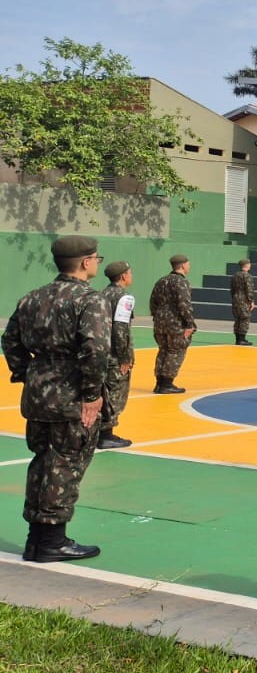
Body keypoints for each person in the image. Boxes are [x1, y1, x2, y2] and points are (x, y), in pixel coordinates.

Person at [3, 235, 111, 562]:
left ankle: (36, 539)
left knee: (42, 461)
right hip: (71, 394)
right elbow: (96, 349)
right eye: (96, 258)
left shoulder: (32, 298)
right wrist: (91, 395)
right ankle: (52, 541)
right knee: (65, 464)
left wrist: (29, 373)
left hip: (38, 394)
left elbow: (10, 341)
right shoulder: (90, 300)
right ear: (86, 262)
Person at [97, 260, 135, 450]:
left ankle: (100, 432)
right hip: (114, 355)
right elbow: (120, 329)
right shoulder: (124, 298)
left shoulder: (102, 294)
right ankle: (106, 435)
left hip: (101, 352)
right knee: (115, 394)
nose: (131, 276)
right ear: (123, 276)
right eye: (130, 273)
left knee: (103, 391)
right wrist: (124, 357)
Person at [149, 254, 196, 394]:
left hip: (160, 322)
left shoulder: (161, 281)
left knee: (163, 350)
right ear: (183, 265)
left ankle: (159, 383)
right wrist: (190, 324)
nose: (189, 266)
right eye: (188, 263)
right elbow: (184, 304)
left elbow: (153, 302)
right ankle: (167, 383)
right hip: (176, 322)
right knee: (176, 351)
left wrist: (157, 317)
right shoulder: (181, 282)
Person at [229, 258, 255, 346]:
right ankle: (242, 339)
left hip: (236, 299)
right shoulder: (248, 276)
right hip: (244, 300)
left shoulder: (235, 276)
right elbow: (249, 290)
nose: (250, 265)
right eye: (249, 263)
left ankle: (238, 339)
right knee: (245, 319)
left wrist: (234, 298)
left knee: (237, 319)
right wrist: (251, 301)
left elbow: (232, 289)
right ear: (246, 265)